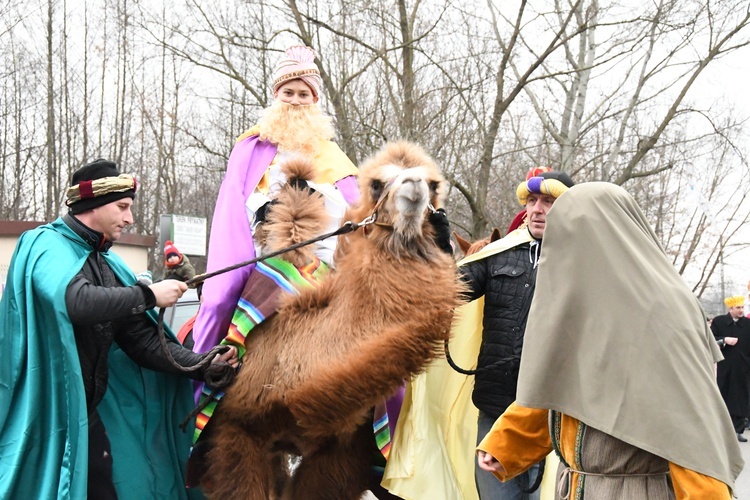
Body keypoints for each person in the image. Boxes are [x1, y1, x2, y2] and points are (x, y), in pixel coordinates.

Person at [476, 182, 743, 499]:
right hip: (577, 485)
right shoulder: (584, 304)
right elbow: (558, 387)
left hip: (637, 489)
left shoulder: (660, 311)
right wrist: (510, 441)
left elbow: (691, 431)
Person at [0, 159, 238, 499]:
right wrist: (149, 294)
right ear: (93, 206)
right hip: (43, 416)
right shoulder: (45, 245)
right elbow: (76, 302)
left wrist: (203, 365)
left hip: (86, 416)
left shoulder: (106, 262)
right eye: (122, 207)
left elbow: (142, 341)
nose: (129, 218)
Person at [192, 44, 359, 364]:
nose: (296, 101)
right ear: (276, 95)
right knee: (217, 299)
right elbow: (232, 204)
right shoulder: (249, 148)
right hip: (258, 249)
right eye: (288, 93)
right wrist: (263, 210)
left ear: (315, 101)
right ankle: (203, 371)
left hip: (320, 257)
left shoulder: (336, 157)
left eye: (303, 94)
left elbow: (357, 212)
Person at [458, 170, 574, 499]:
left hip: (550, 417)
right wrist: (435, 250)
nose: (537, 209)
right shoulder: (499, 255)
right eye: (533, 201)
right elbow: (444, 292)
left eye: (549, 202)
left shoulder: (582, 263)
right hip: (496, 409)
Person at [712, 295, 750, 442]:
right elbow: (710, 338)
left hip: (743, 367)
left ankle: (738, 429)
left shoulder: (747, 324)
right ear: (730, 308)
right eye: (738, 308)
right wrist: (723, 341)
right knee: (724, 394)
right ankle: (722, 429)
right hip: (725, 365)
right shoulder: (719, 322)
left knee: (741, 396)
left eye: (742, 307)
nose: (741, 310)